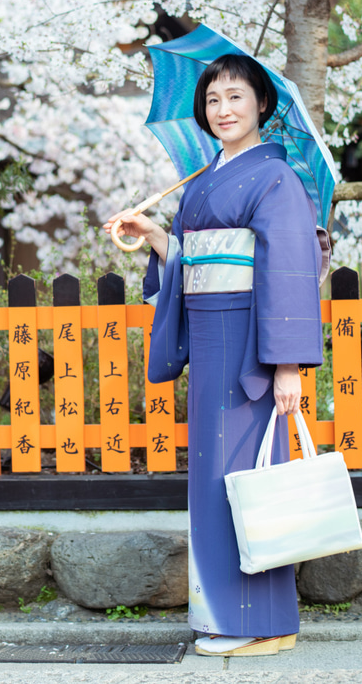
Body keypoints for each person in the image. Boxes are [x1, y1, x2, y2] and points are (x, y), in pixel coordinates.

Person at [104, 53, 325, 657]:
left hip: (250, 347)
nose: (222, 110)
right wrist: (156, 239)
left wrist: (286, 366)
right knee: (213, 477)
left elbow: (286, 271)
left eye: (235, 98)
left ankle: (252, 622)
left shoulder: (277, 179)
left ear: (261, 106)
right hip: (209, 339)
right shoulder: (206, 179)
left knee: (241, 478)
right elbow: (193, 259)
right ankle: (250, 619)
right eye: (212, 101)